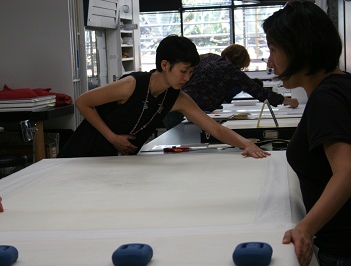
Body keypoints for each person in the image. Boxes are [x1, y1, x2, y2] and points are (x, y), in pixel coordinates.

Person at [58, 35, 270, 159]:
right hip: (82, 153)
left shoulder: (177, 98)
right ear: (165, 65)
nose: (187, 78)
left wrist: (246, 144)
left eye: (191, 72)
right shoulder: (131, 85)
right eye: (183, 71)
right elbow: (83, 102)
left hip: (114, 161)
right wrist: (112, 137)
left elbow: (213, 127)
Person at [263, 1, 351, 266]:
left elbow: (346, 172)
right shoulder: (342, 84)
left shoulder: (326, 98)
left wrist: (305, 228)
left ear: (297, 49)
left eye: (273, 50)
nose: (270, 62)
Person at [163, 44, 299, 129]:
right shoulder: (230, 70)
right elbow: (257, 91)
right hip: (189, 112)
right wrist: (287, 100)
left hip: (173, 105)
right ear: (240, 63)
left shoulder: (208, 57)